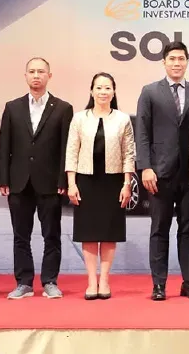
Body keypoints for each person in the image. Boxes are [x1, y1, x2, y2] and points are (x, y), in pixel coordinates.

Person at [135, 41, 189, 301]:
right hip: (159, 173)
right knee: (159, 229)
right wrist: (145, 167)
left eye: (181, 58)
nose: (177, 63)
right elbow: (142, 132)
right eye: (172, 59)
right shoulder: (150, 92)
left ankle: (188, 282)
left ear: (187, 62)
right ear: (164, 62)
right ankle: (159, 284)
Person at [0, 57, 73, 300]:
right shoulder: (13, 107)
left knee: (51, 235)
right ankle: (24, 283)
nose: (36, 75)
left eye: (41, 71)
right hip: (18, 182)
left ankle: (50, 281)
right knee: (21, 236)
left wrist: (63, 180)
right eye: (32, 71)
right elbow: (4, 145)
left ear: (49, 76)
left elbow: (66, 148)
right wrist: (3, 178)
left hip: (50, 183)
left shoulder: (62, 108)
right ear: (25, 76)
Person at [65, 72, 136, 300]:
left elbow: (129, 154)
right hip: (85, 181)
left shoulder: (122, 119)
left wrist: (127, 184)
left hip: (113, 181)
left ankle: (104, 280)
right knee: (88, 233)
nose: (103, 92)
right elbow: (71, 152)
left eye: (107, 88)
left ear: (113, 92)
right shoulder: (79, 118)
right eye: (99, 87)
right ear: (91, 91)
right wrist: (71, 183)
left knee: (108, 233)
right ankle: (91, 281)